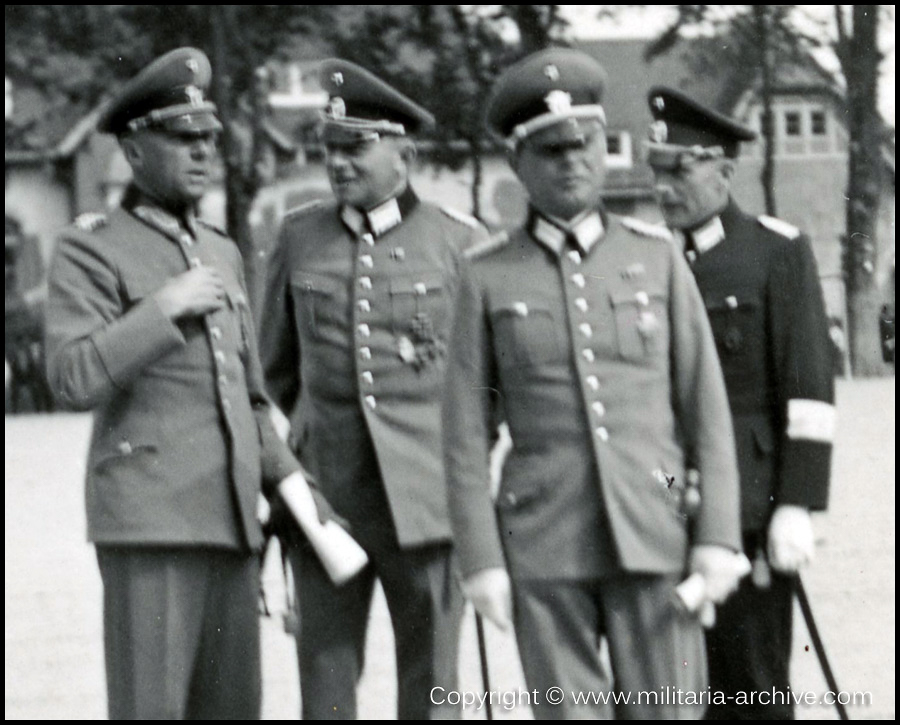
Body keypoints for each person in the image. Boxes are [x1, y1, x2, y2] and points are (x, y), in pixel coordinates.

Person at [442, 48, 746, 720]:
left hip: (654, 527)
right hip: (544, 540)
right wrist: (482, 560)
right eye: (552, 150)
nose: (574, 160)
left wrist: (718, 534)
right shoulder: (486, 274)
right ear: (519, 163)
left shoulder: (656, 256)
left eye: (586, 144)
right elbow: (464, 433)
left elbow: (706, 409)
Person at [44, 47, 328, 720]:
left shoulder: (221, 249)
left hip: (231, 522)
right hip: (152, 521)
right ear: (135, 150)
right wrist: (163, 308)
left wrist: (298, 493)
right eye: (182, 136)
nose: (202, 151)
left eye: (209, 137)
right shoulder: (91, 246)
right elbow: (72, 375)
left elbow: (250, 396)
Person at [260, 59, 488, 720]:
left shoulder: (458, 242)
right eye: (328, 149)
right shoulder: (300, 236)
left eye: (356, 147)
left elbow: (482, 380)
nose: (337, 163)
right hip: (328, 495)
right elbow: (276, 366)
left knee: (433, 683)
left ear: (404, 153)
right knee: (326, 684)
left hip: (427, 499)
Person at [645, 86, 835, 720]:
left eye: (680, 169)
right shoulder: (643, 261)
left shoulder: (774, 251)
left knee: (749, 688)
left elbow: (807, 389)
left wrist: (799, 505)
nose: (664, 186)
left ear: (724, 171)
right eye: (656, 170)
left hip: (752, 513)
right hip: (661, 506)